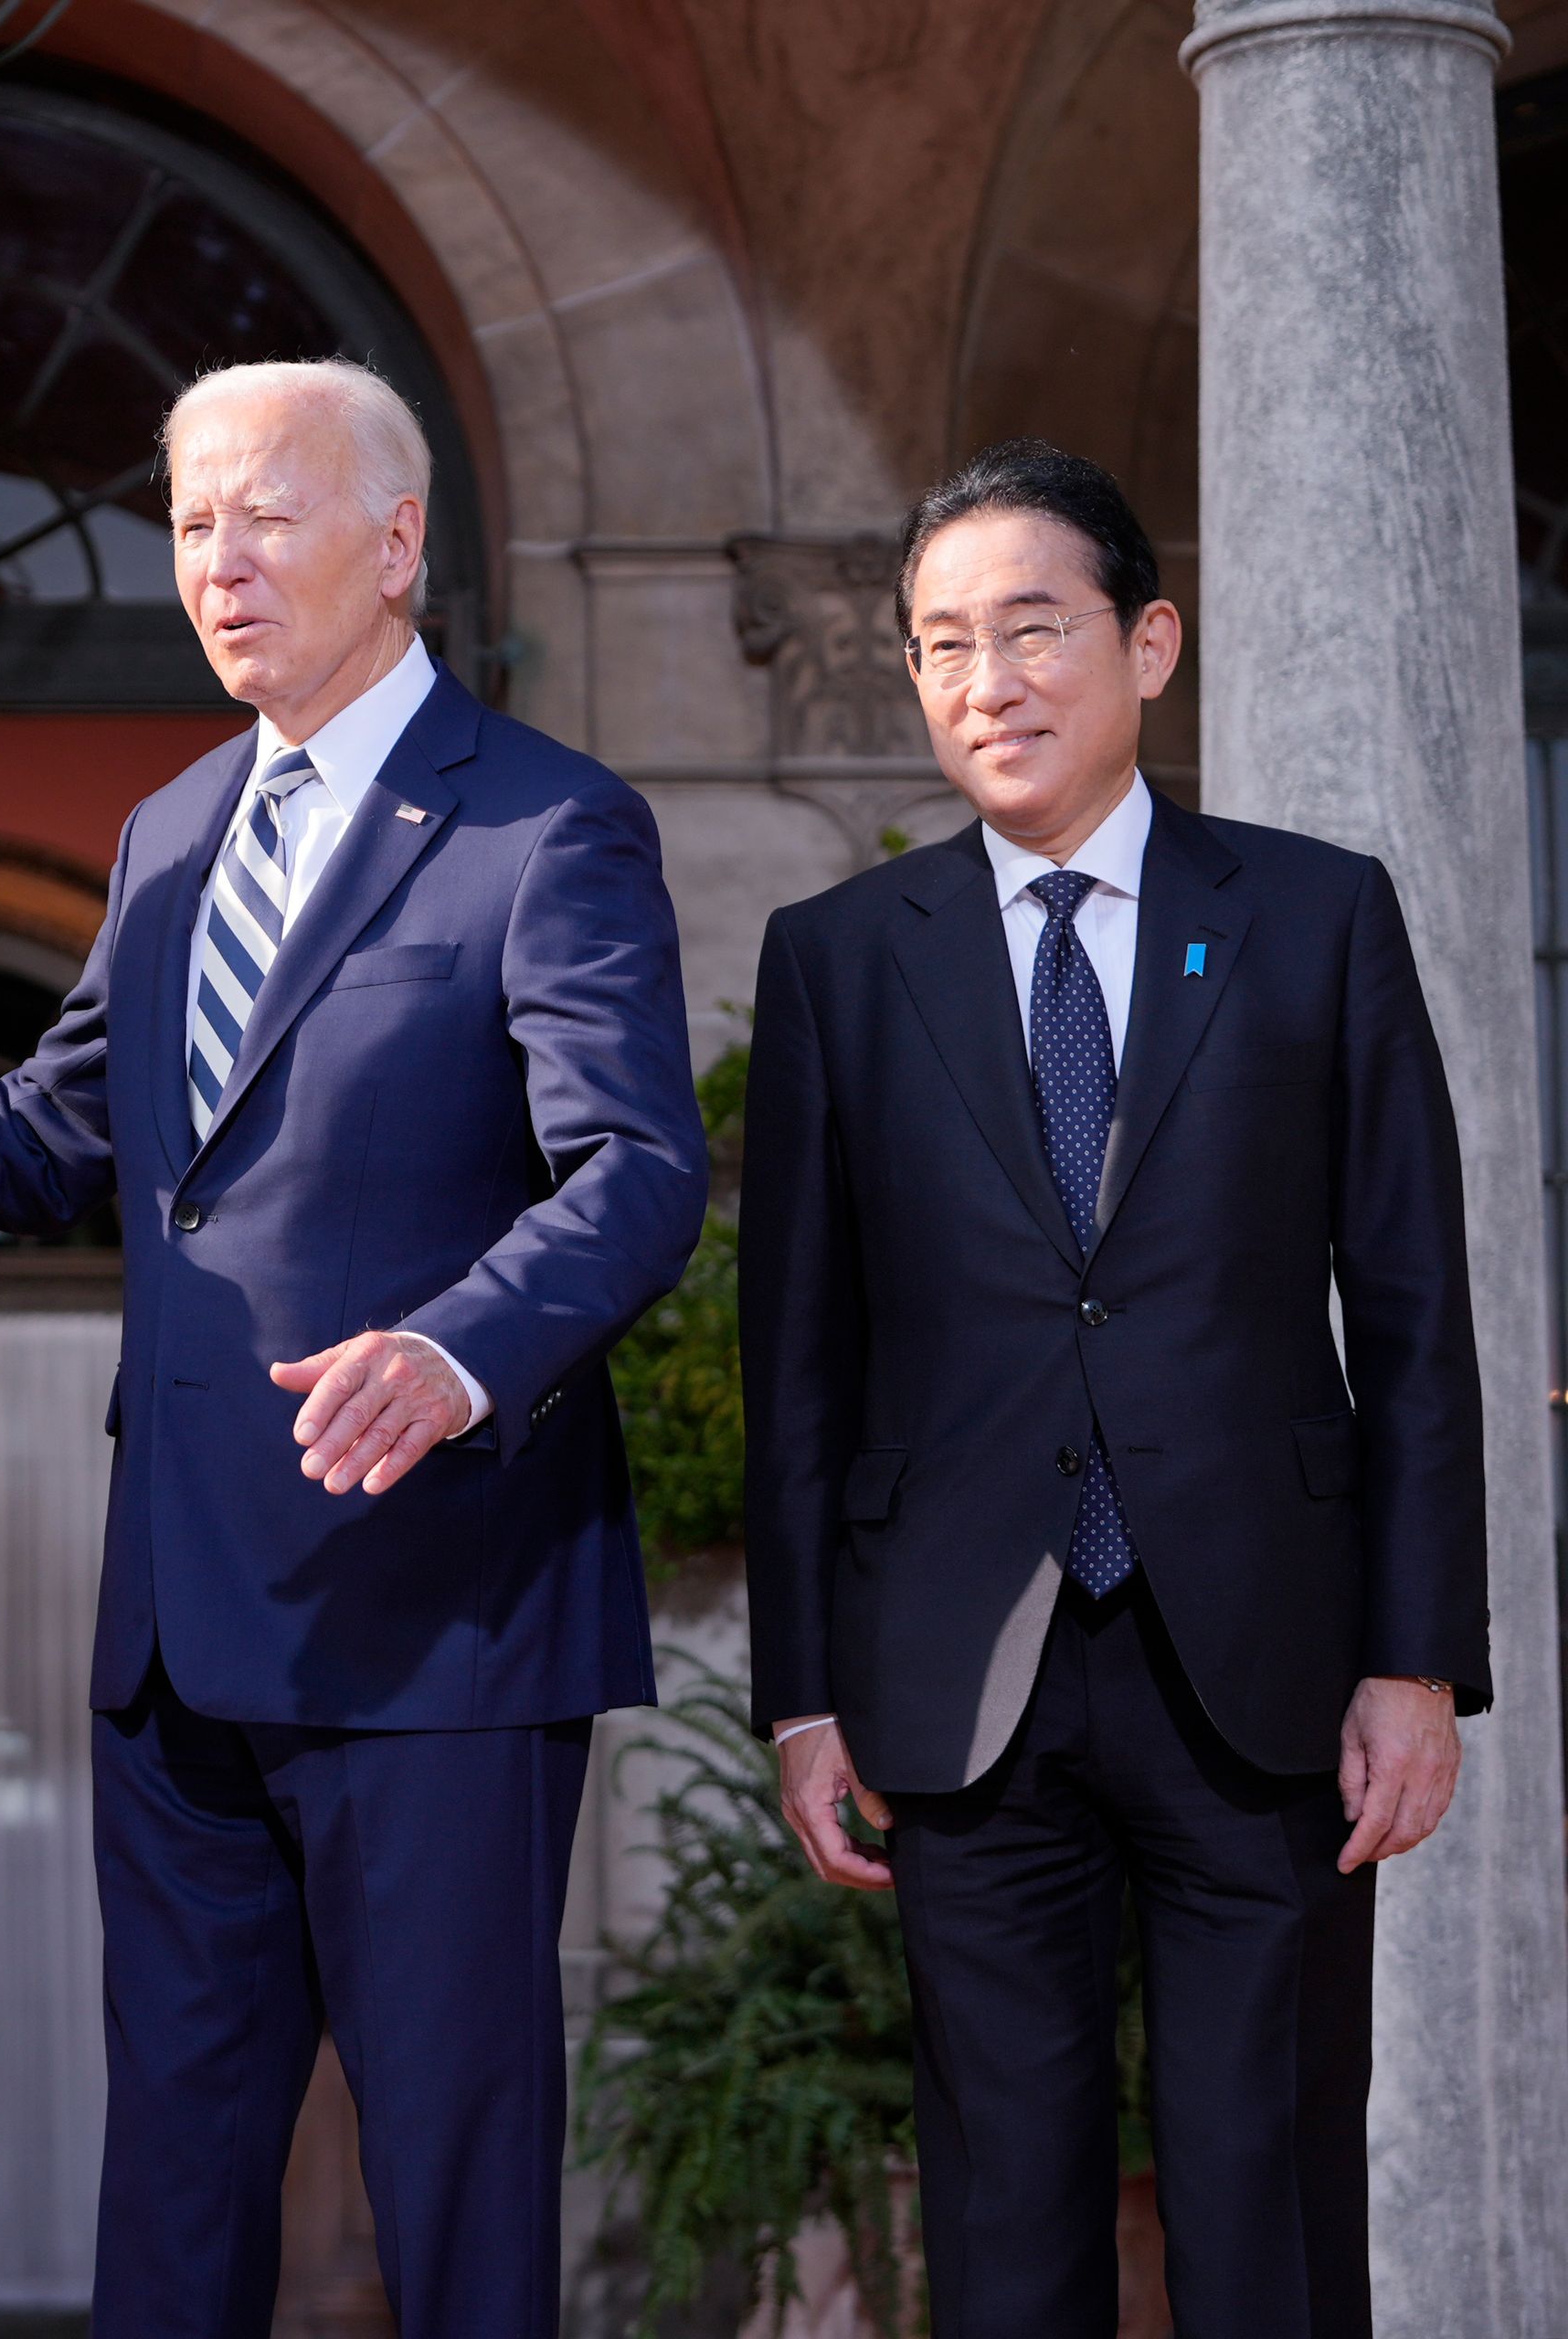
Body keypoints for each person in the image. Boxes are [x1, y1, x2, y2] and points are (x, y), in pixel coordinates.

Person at [0, 357, 707, 2337]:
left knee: (455, 2184)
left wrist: (457, 1352)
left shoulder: (547, 823)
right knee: (175, 2189)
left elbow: (634, 1167)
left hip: (438, 1617)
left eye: (261, 511)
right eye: (187, 521)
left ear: (395, 540)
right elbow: (53, 1143)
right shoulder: (167, 833)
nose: (216, 559)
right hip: (177, 1628)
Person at [739, 439, 1487, 2336]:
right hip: (959, 1675)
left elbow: (1407, 1308)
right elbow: (800, 1353)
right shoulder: (839, 961)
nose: (984, 682)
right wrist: (805, 1689)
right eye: (937, 645)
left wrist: (1417, 1654)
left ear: (1150, 643)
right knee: (1007, 2211)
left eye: (1030, 629)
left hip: (1266, 1665)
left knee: (1272, 2190)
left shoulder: (1319, 917)